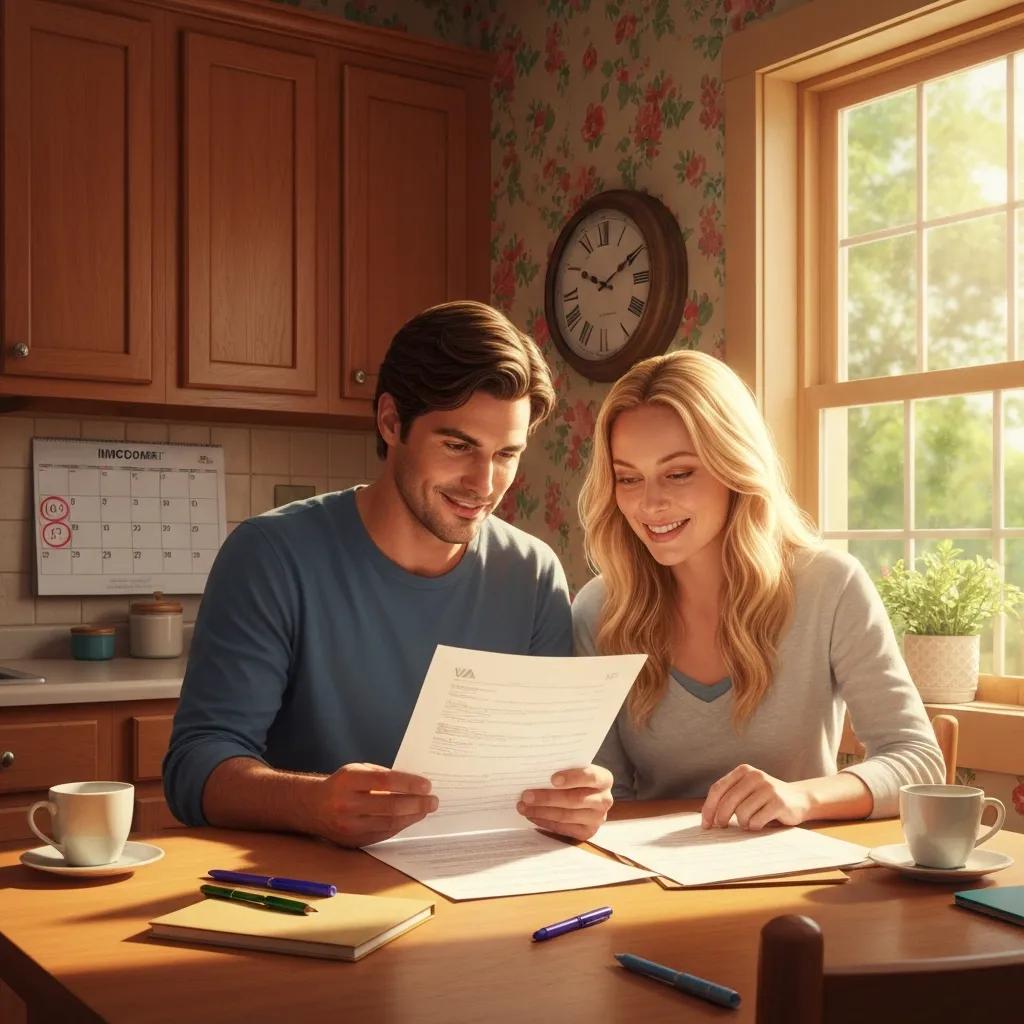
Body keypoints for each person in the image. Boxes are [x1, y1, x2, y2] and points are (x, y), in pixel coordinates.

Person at [164, 301, 613, 847]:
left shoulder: (533, 574)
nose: (484, 482)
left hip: (474, 886)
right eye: (457, 445)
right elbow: (195, 767)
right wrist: (312, 804)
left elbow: (545, 772)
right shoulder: (270, 556)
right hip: (304, 892)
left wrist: (574, 800)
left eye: (506, 455)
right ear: (391, 421)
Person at [574, 350, 944, 830]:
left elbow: (917, 760)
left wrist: (800, 799)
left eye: (679, 472)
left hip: (802, 876)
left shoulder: (831, 586)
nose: (650, 503)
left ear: (734, 466)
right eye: (628, 478)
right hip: (650, 883)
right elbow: (610, 801)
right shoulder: (599, 610)